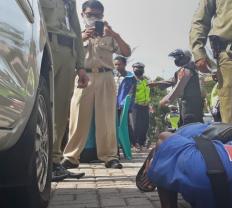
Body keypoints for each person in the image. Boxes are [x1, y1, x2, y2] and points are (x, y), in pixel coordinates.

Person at [62, 0, 131, 170]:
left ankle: (110, 157)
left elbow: (126, 52)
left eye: (97, 15)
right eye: (90, 14)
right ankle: (71, 157)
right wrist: (81, 37)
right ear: (82, 14)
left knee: (107, 119)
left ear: (102, 16)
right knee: (77, 117)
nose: (93, 18)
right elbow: (65, 54)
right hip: (82, 75)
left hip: (105, 76)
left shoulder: (109, 34)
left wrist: (114, 34)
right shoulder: (74, 32)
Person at [40, 0, 89, 181]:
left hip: (68, 51)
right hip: (46, 46)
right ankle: (38, 163)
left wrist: (81, 66)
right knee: (43, 106)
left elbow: (75, 27)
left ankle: (53, 162)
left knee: (60, 112)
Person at [159, 49, 204, 126]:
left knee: (189, 130)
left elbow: (178, 88)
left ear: (185, 58)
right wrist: (159, 83)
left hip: (190, 108)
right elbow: (173, 80)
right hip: (193, 106)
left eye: (177, 57)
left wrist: (167, 100)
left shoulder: (186, 70)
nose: (176, 60)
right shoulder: (191, 69)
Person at [131, 62, 152, 151]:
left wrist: (148, 103)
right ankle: (135, 144)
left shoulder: (146, 81)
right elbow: (130, 93)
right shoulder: (131, 80)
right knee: (135, 125)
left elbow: (147, 93)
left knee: (145, 125)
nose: (138, 70)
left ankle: (142, 143)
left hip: (145, 106)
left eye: (140, 68)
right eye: (136, 68)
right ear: (133, 69)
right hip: (135, 106)